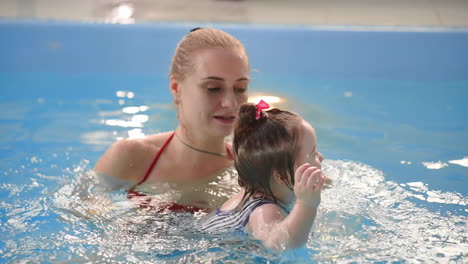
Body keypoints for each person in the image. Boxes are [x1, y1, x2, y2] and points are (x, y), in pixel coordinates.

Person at [94, 28, 250, 212]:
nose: (230, 103)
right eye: (213, 88)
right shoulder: (131, 157)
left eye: (240, 88)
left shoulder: (249, 171)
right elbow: (80, 216)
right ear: (176, 88)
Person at [198, 100, 328, 250]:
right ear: (281, 176)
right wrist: (307, 205)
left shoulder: (257, 186)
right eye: (313, 154)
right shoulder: (264, 210)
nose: (321, 157)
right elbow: (280, 245)